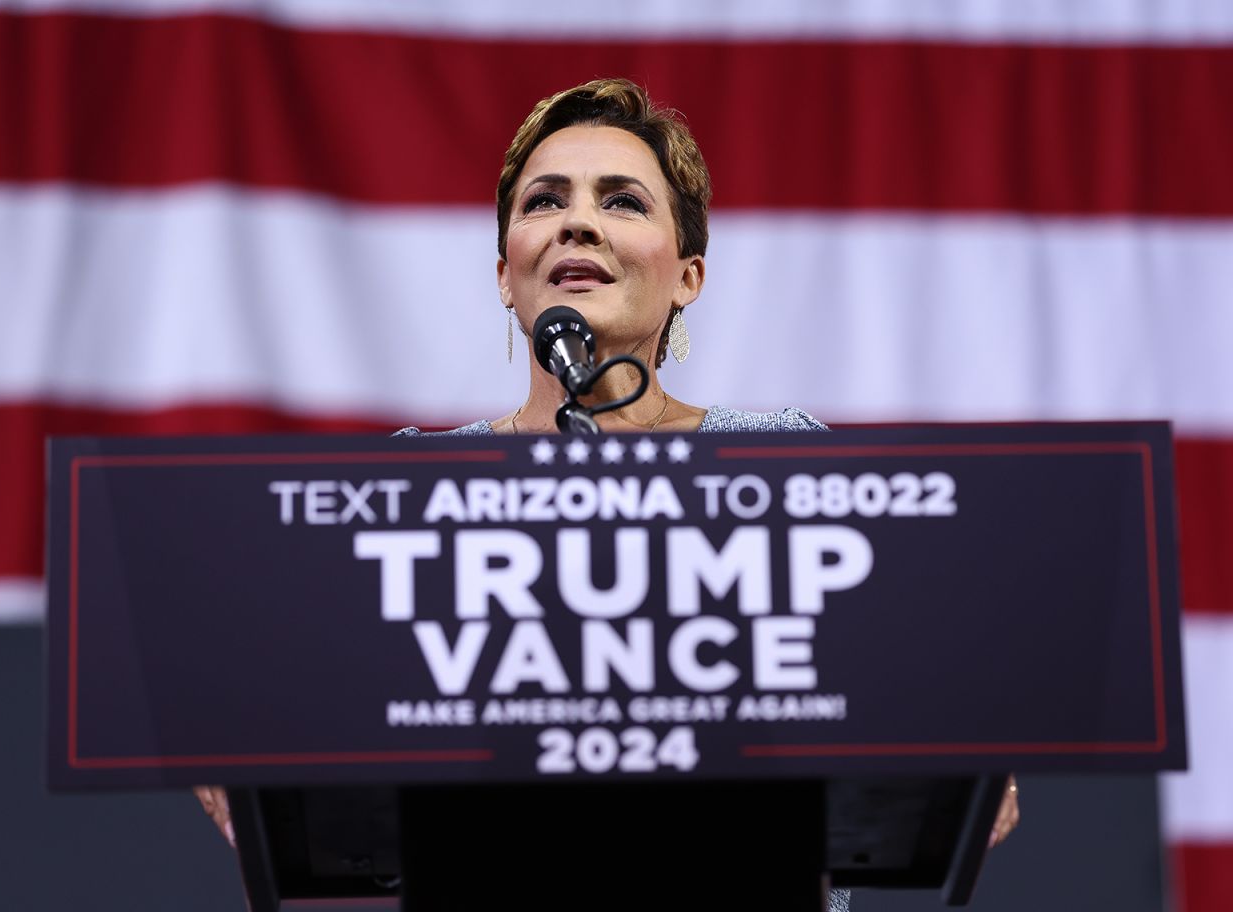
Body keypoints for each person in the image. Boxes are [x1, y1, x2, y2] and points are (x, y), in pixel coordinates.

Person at [195, 77, 1019, 902]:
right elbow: (300, 720)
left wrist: (958, 760)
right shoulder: (418, 490)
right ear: (506, 275)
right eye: (544, 201)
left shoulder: (783, 466)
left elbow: (931, 704)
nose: (577, 221)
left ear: (688, 275)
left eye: (623, 201)